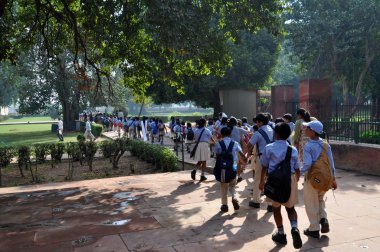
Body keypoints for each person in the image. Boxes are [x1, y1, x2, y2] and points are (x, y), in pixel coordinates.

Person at [259, 122, 302, 249]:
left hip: (274, 181)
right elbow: (297, 168)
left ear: (276, 134)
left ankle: (281, 234)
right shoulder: (292, 149)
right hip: (290, 179)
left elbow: (264, 166)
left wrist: (261, 182)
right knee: (290, 208)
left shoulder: (269, 147)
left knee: (276, 208)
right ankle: (294, 228)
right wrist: (295, 181)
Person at [301, 120, 337, 239]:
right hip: (326, 179)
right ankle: (323, 219)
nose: (305, 130)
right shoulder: (326, 145)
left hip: (312, 179)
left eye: (307, 128)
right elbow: (331, 163)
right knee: (320, 200)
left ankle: (314, 229)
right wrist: (333, 179)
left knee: (311, 203)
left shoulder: (308, 146)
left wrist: (296, 172)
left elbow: (307, 164)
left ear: (312, 131)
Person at [215, 127, 247, 212]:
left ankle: (224, 205)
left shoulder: (218, 144)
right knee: (232, 184)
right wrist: (245, 161)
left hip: (223, 168)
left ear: (221, 134)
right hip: (233, 166)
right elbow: (241, 154)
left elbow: (217, 155)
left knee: (224, 185)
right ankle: (234, 197)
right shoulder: (235, 143)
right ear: (230, 134)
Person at [246, 113, 274, 211]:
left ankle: (256, 201)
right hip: (273, 158)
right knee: (270, 180)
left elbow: (249, 145)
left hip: (262, 158)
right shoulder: (273, 130)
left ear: (260, 122)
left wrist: (245, 155)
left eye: (257, 122)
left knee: (258, 179)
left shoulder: (258, 133)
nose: (256, 124)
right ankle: (270, 204)